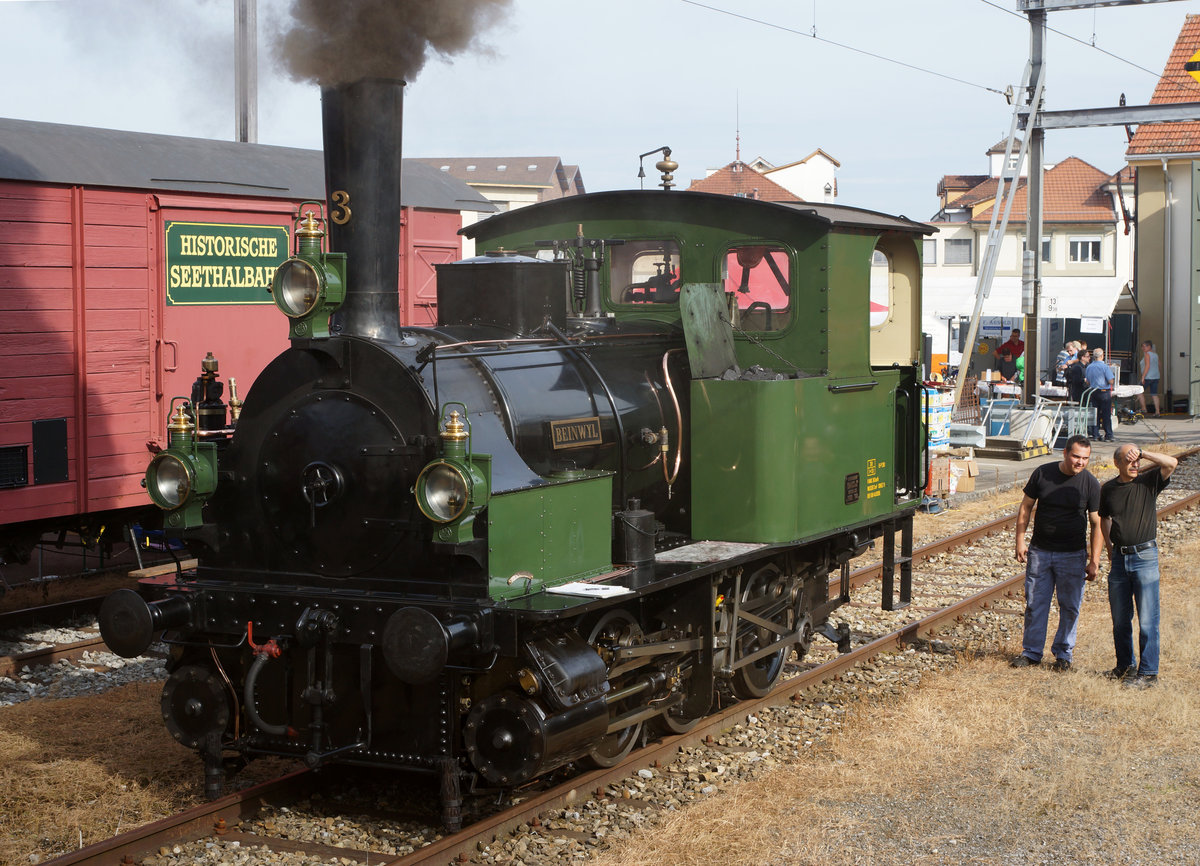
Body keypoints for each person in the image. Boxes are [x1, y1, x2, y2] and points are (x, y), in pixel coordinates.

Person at [1011, 434, 1102, 672]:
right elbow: (1026, 507)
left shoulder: (1090, 483)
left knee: (1070, 606)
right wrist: (1020, 541)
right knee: (1035, 604)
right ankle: (1031, 653)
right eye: (1076, 456)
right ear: (1065, 453)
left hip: (1073, 555)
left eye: (1085, 458)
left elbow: (1096, 523)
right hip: (1040, 552)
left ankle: (1063, 654)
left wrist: (1095, 560)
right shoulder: (1043, 473)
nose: (1080, 462)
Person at [1099, 444, 1177, 688]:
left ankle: (1149, 673)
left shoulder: (1149, 481)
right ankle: (1125, 666)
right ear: (1117, 463)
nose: (1134, 464)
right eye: (1129, 460)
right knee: (1120, 619)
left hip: (1145, 557)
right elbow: (1104, 519)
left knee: (1147, 619)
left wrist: (1144, 453)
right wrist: (1110, 550)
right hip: (1120, 560)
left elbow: (1171, 463)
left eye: (1136, 460)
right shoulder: (1109, 489)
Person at [1085, 347, 1115, 442]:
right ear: (1102, 356)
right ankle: (1108, 435)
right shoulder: (1105, 367)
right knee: (1106, 414)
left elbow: (1087, 381)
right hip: (1104, 392)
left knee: (1095, 414)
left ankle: (1095, 434)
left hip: (1093, 392)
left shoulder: (1089, 367)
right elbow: (1110, 381)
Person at [1138, 340, 1161, 416]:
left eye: (1146, 346)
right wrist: (1156, 372)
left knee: (1139, 390)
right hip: (1156, 377)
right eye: (1142, 346)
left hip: (1148, 377)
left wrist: (1143, 377)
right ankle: (1157, 412)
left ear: (1150, 347)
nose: (1143, 348)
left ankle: (1144, 408)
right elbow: (1159, 365)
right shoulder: (1156, 355)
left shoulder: (1147, 354)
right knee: (1154, 394)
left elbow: (1147, 366)